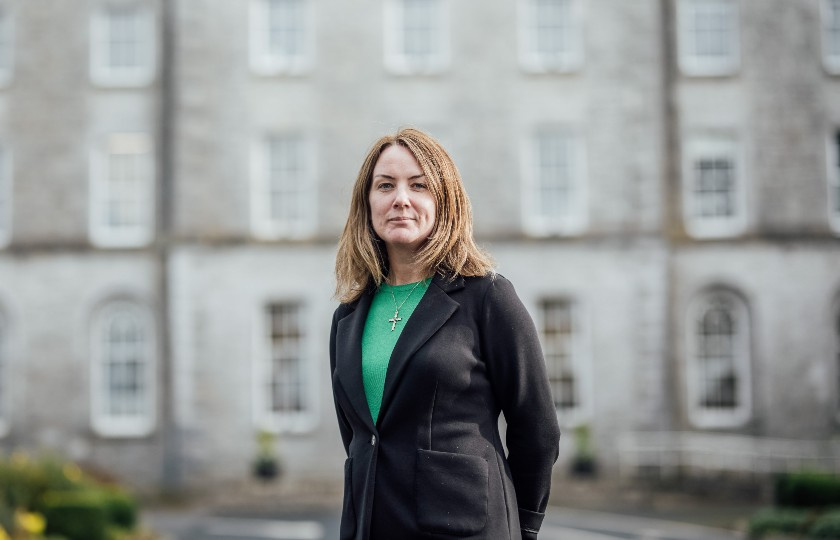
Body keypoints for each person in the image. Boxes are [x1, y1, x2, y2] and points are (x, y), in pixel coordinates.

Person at [330, 128, 561, 540]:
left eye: (418, 185)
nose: (401, 198)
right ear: (367, 203)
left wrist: (524, 525)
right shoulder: (347, 317)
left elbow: (537, 429)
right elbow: (359, 438)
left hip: (466, 528)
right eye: (386, 185)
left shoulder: (488, 297)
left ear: (444, 200)